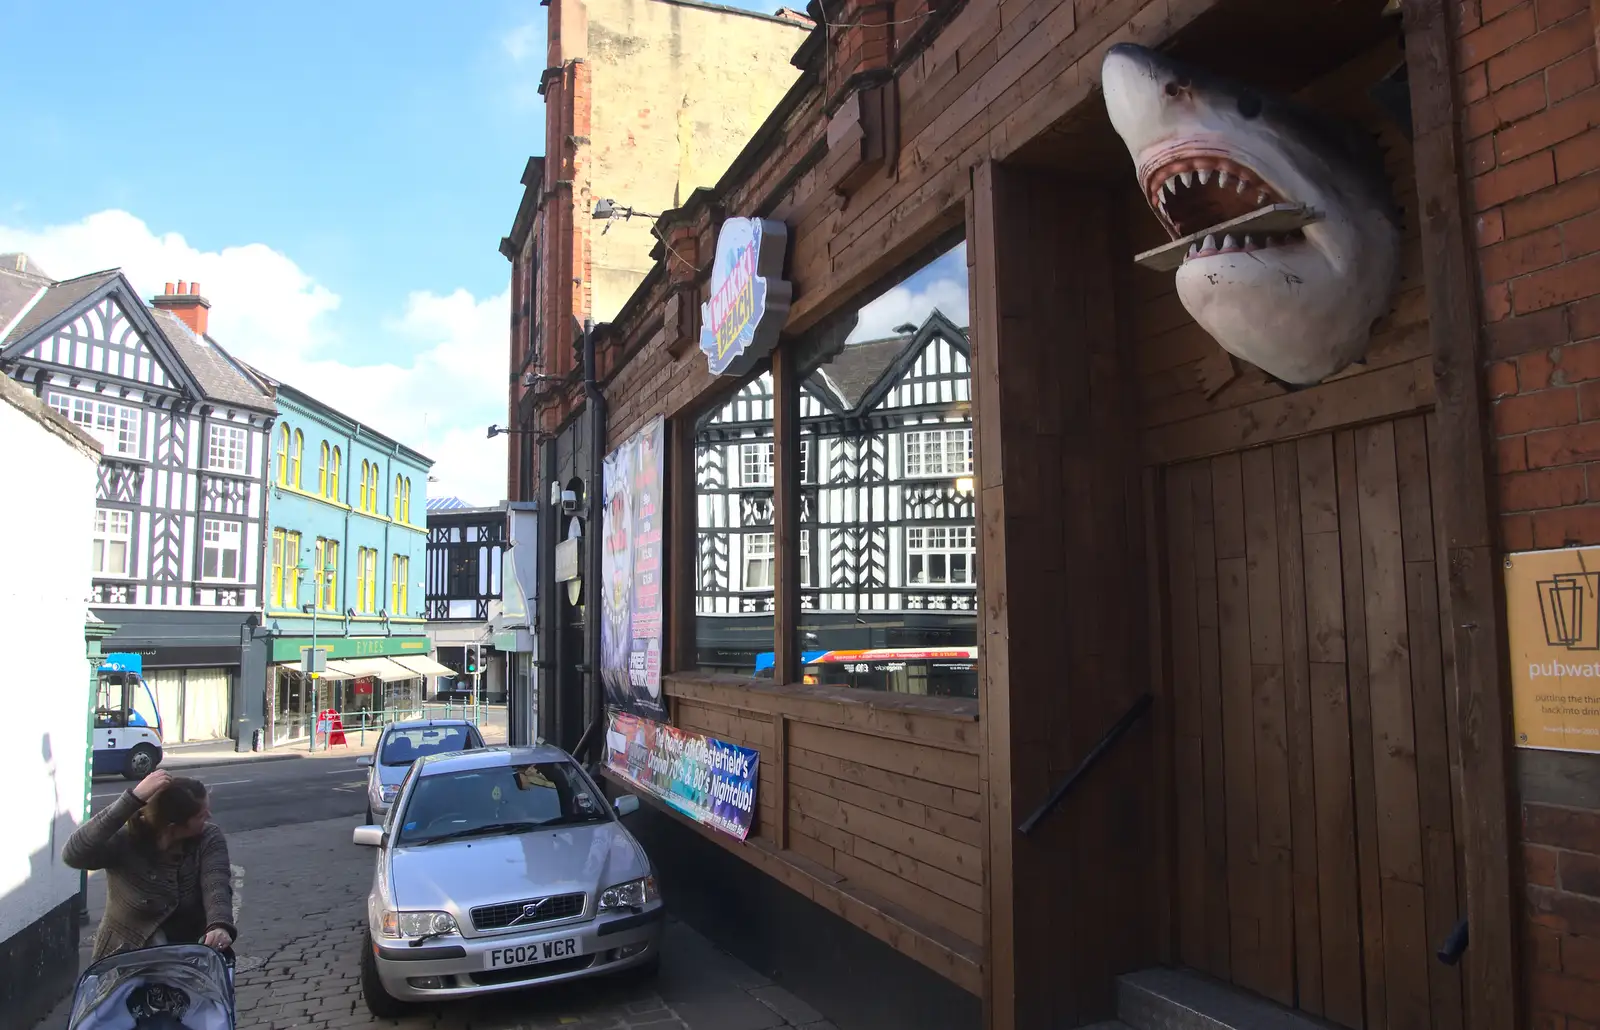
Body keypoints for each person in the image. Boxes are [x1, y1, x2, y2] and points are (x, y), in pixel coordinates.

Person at [64, 769, 237, 962]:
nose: (209, 816)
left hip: (188, 960)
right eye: (200, 815)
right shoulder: (125, 841)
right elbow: (74, 854)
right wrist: (132, 799)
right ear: (173, 827)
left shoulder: (209, 837)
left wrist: (219, 925)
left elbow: (216, 884)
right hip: (123, 960)